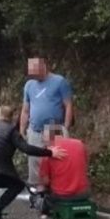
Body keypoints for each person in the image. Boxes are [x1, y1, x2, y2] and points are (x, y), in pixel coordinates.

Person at [0, 106, 66, 219]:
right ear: (12, 117)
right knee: (17, 185)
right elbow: (26, 149)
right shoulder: (11, 129)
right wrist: (50, 152)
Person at [19, 58, 75, 189]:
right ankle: (39, 193)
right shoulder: (29, 85)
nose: (33, 75)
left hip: (54, 127)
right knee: (35, 161)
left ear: (43, 67)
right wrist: (22, 129)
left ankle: (57, 190)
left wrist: (65, 127)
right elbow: (25, 109)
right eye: (31, 73)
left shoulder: (59, 81)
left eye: (35, 72)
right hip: (35, 129)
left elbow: (68, 105)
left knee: (56, 159)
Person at [35, 126, 91, 215]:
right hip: (83, 194)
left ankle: (43, 205)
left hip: (62, 196)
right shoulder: (80, 144)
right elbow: (85, 166)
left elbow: (45, 181)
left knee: (42, 190)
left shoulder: (49, 153)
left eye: (43, 139)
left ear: (47, 138)